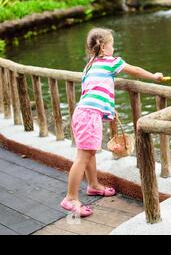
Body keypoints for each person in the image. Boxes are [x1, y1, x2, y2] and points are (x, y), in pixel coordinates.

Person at [60, 27, 164, 217]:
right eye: (112, 45)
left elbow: (93, 90)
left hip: (84, 113)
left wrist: (108, 108)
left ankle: (93, 185)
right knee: (83, 157)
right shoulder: (110, 62)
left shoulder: (90, 65)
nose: (113, 49)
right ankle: (71, 198)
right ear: (103, 47)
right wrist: (153, 76)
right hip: (89, 115)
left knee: (89, 152)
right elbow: (134, 70)